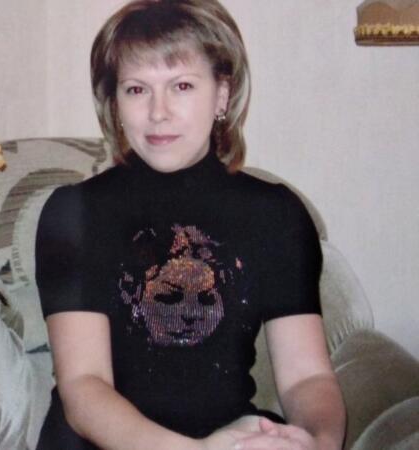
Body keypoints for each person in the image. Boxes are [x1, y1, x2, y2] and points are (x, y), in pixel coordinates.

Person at [35, 1, 346, 449]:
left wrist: (315, 442)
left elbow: (307, 377)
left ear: (222, 94)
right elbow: (84, 388)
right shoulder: (74, 211)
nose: (158, 112)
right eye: (136, 89)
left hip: (230, 437)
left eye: (181, 85)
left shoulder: (276, 214)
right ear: (115, 103)